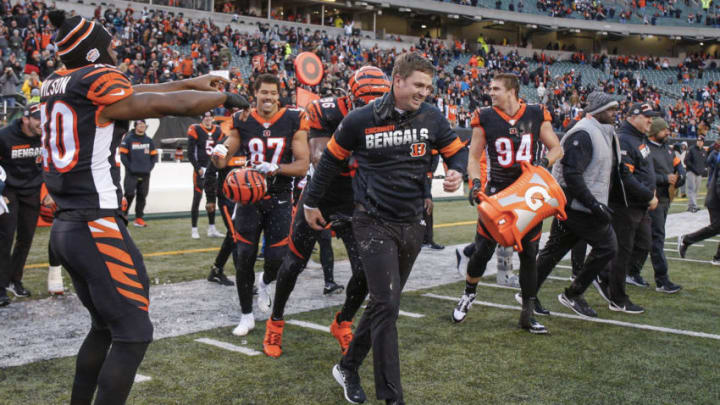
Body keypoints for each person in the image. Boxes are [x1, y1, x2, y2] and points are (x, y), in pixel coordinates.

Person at [42, 10, 248, 404]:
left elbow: (137, 89)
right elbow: (154, 102)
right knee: (134, 332)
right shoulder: (94, 82)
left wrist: (191, 81)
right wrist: (221, 97)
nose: (115, 50)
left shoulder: (58, 82)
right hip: (94, 223)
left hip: (70, 226)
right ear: (93, 53)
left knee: (105, 327)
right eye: (108, 46)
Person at [304, 52, 467, 405]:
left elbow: (457, 151)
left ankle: (347, 367)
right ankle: (393, 398)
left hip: (412, 224)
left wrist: (458, 171)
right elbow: (330, 162)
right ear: (397, 80)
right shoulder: (359, 119)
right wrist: (309, 202)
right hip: (371, 221)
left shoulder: (432, 116)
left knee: (383, 305)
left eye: (428, 86)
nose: (424, 92)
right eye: (417, 85)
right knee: (386, 304)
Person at [262, 66, 390, 358]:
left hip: (357, 203)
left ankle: (343, 321)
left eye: (378, 103)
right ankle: (276, 320)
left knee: (366, 274)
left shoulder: (391, 114)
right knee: (293, 265)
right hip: (320, 198)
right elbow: (322, 159)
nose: (373, 110)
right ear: (348, 97)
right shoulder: (325, 110)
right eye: (365, 103)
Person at [452, 73, 563, 334]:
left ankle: (527, 313)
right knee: (482, 250)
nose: (491, 93)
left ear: (512, 91)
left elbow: (556, 148)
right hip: (499, 195)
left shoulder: (536, 113)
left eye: (496, 89)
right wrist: (476, 183)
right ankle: (469, 293)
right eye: (490, 88)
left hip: (528, 196)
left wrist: (542, 166)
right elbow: (474, 156)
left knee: (529, 255)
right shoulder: (485, 116)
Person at [211, 73, 309, 337]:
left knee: (277, 259)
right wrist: (217, 155)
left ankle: (264, 282)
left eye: (273, 93)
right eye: (264, 92)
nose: (268, 97)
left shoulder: (293, 118)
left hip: (279, 197)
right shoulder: (243, 119)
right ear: (255, 94)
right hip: (248, 199)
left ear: (279, 95)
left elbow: (303, 165)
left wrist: (277, 167)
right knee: (243, 257)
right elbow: (225, 153)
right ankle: (246, 315)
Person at [534, 92, 622, 318]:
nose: (615, 113)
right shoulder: (584, 133)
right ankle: (573, 293)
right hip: (578, 207)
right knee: (608, 246)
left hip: (576, 206)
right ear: (597, 110)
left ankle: (528, 293)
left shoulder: (600, 131)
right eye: (611, 109)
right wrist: (594, 204)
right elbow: (572, 174)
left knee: (553, 252)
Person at [594, 103, 659, 314]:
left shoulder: (639, 138)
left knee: (644, 243)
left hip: (639, 205)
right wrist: (648, 195)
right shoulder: (624, 138)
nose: (651, 120)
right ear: (633, 116)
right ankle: (618, 298)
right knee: (622, 253)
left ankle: (604, 274)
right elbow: (625, 177)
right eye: (647, 116)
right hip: (625, 205)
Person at [627, 117, 684, 293]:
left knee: (647, 239)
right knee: (656, 238)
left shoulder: (668, 149)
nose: (668, 132)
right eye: (664, 129)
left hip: (666, 198)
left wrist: (679, 177)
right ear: (654, 131)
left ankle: (631, 271)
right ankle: (662, 279)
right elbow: (643, 174)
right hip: (653, 199)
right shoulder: (646, 149)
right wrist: (665, 178)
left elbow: (678, 167)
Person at [0, 103, 43, 305]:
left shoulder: (46, 135)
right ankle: (0, 287)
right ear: (25, 118)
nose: (42, 124)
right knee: (5, 237)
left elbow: (51, 160)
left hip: (32, 189)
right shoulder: (5, 135)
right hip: (8, 190)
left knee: (26, 237)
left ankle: (14, 281)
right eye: (37, 119)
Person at [187, 111, 224, 239]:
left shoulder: (218, 131)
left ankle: (212, 228)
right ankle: (194, 229)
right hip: (201, 169)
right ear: (202, 118)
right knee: (197, 198)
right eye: (205, 117)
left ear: (213, 118)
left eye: (210, 117)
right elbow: (190, 153)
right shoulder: (196, 129)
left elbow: (220, 150)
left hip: (212, 170)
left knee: (211, 199)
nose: (208, 119)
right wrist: (198, 168)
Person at [119, 120, 158, 227]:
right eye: (140, 125)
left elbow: (154, 156)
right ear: (135, 126)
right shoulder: (128, 139)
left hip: (145, 174)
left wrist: (149, 167)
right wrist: (130, 167)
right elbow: (123, 156)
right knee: (129, 194)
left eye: (143, 125)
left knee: (142, 196)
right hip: (132, 174)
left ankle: (139, 219)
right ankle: (123, 216)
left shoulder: (149, 140)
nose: (142, 126)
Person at [684, 136, 706, 213]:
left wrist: (701, 170)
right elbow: (686, 161)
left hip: (699, 173)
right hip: (691, 172)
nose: (699, 142)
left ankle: (691, 206)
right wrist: (694, 169)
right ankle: (694, 206)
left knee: (696, 190)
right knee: (691, 189)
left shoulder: (703, 151)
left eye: (700, 141)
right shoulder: (691, 149)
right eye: (698, 140)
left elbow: (704, 162)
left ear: (703, 142)